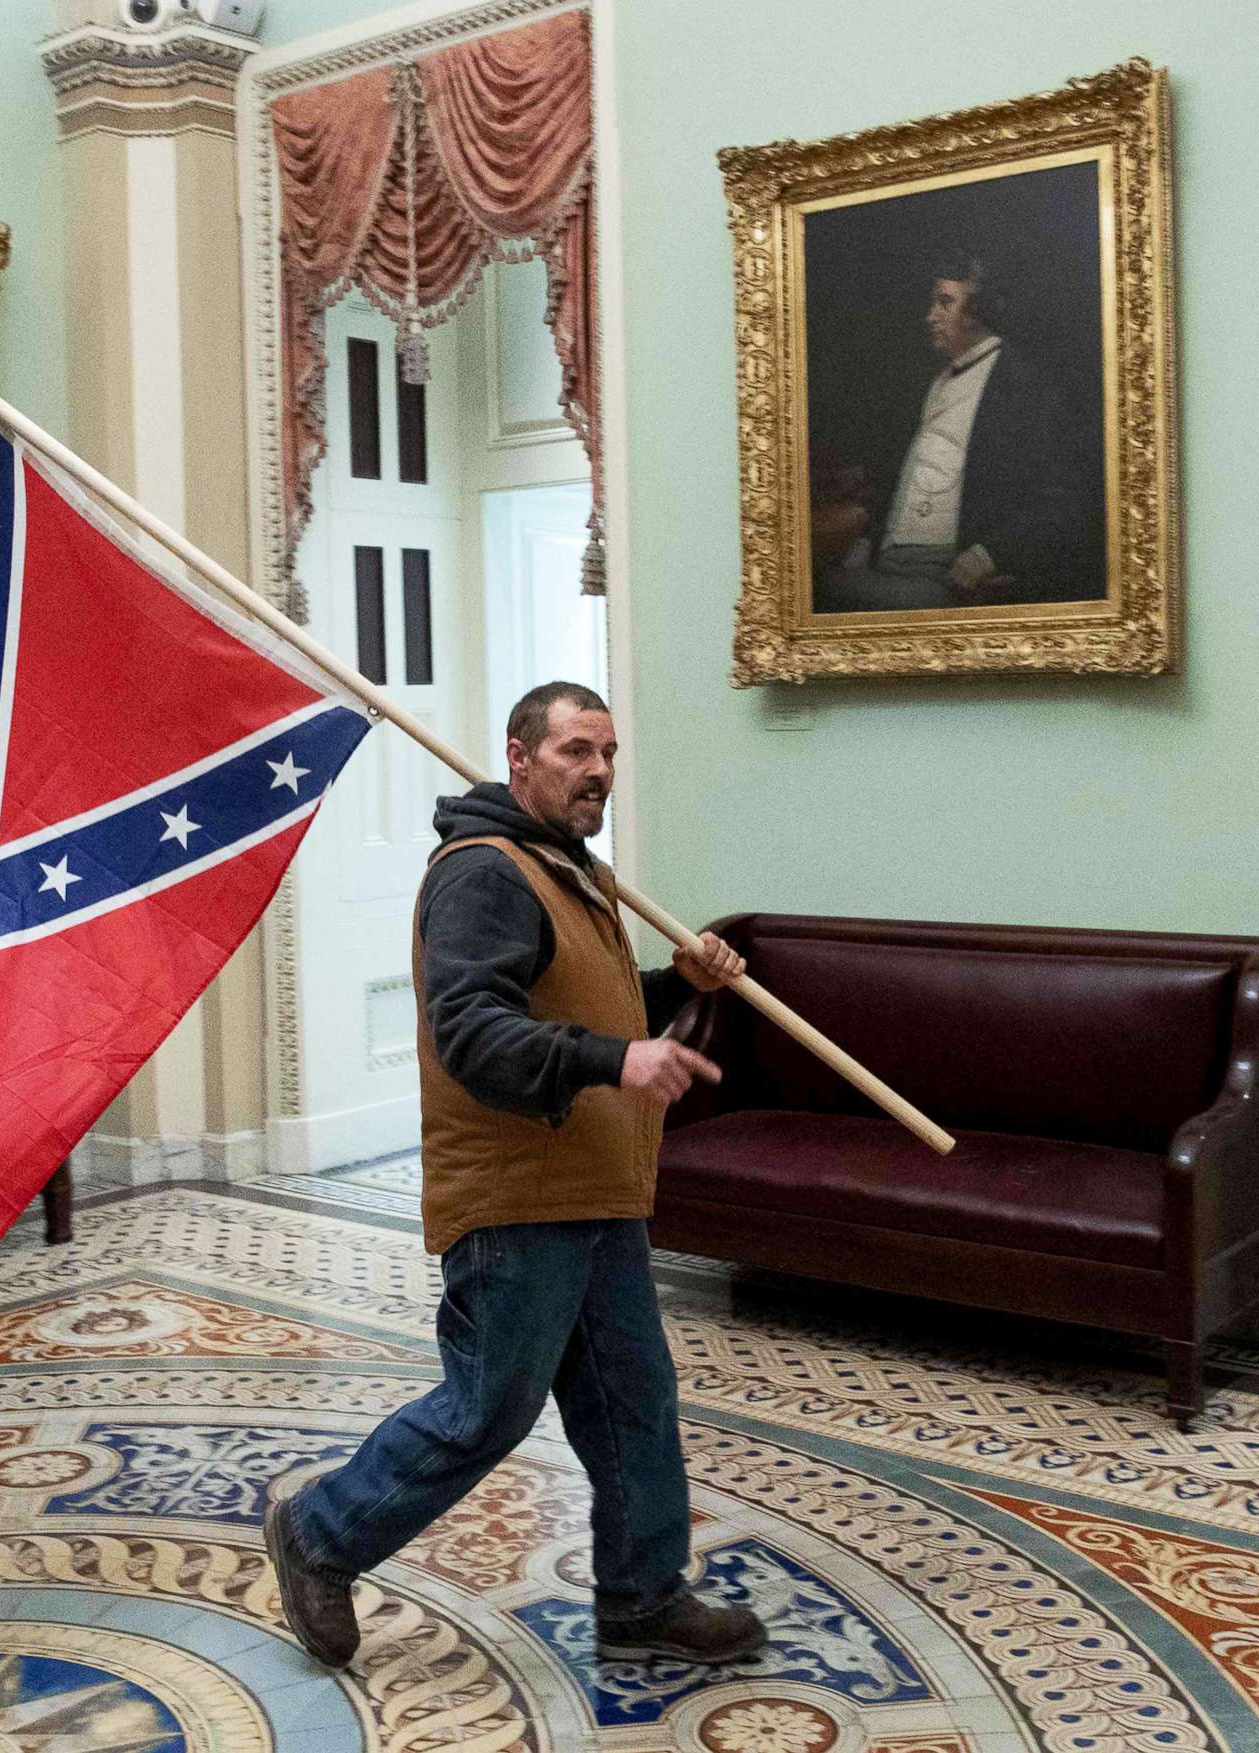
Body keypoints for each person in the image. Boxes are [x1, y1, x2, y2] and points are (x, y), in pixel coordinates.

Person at [266, 682, 769, 1670]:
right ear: (520, 756)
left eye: (609, 753)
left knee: (632, 1400)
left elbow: (576, 1006)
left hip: (597, 1189)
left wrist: (677, 988)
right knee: (484, 1409)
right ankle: (320, 1534)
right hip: (518, 1196)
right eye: (577, 749)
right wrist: (615, 1061)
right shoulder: (485, 874)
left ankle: (640, 1596)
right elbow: (475, 1033)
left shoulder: (569, 868)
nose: (598, 771)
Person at [815, 251, 1093, 613]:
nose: (930, 316)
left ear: (978, 311)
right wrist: (867, 543)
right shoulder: (931, 382)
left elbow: (1063, 501)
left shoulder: (1025, 388)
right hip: (886, 564)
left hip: (948, 576)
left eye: (945, 303)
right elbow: (901, 475)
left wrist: (987, 556)